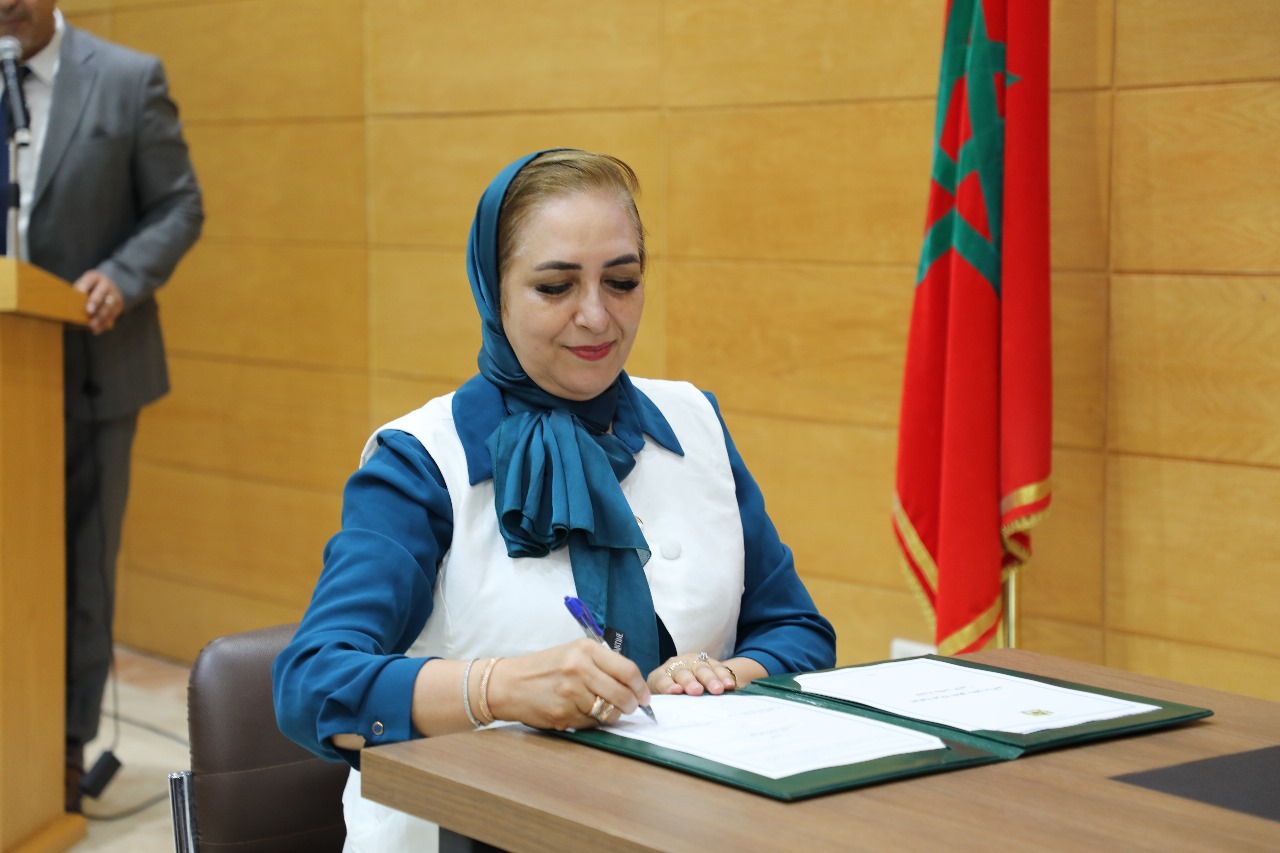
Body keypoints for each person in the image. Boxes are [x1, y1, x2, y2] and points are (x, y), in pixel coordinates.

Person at [274, 149, 835, 849]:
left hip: (683, 825)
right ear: (494, 291)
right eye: (555, 287)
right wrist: (499, 688)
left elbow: (799, 632)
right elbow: (311, 683)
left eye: (622, 282)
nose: (596, 316)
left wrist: (715, 678)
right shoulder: (421, 461)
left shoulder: (695, 422)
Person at [0, 0, 204, 812]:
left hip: (93, 366)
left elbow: (179, 204)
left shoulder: (126, 79)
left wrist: (122, 276)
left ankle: (59, 753)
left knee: (79, 569)